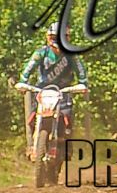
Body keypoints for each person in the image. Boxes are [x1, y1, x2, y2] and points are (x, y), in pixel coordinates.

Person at [17, 21, 86, 155]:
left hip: (63, 91)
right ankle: (31, 145)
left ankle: (67, 145)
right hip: (42, 91)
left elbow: (81, 70)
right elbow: (28, 68)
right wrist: (23, 82)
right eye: (55, 37)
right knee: (32, 117)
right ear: (49, 37)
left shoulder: (71, 55)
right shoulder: (41, 53)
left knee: (67, 117)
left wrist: (83, 84)